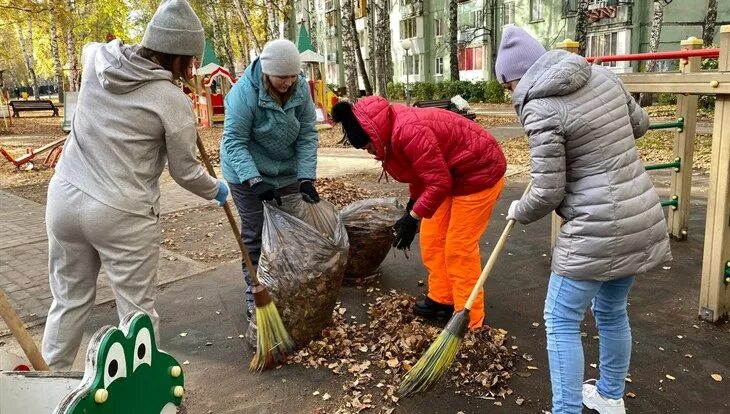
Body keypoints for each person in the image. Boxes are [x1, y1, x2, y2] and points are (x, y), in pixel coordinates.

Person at [42, 0, 229, 371]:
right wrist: (216, 188)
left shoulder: (97, 59)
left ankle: (48, 382)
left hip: (64, 197)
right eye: (189, 60)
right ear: (177, 57)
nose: (190, 69)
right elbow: (185, 172)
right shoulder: (171, 101)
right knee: (136, 314)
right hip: (121, 213)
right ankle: (142, 394)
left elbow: (90, 47)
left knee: (68, 299)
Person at [495, 26, 672, 414]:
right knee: (611, 312)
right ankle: (609, 397)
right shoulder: (603, 75)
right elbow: (640, 125)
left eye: (507, 87)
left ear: (516, 77)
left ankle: (567, 410)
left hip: (595, 228)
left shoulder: (540, 107)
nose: (510, 97)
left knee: (560, 320)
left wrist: (517, 210)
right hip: (638, 216)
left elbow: (547, 192)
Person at [331, 96, 506, 329]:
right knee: (432, 238)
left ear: (373, 133)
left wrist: (413, 218)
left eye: (367, 145)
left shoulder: (408, 131)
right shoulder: (391, 132)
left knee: (458, 248)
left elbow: (438, 182)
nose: (370, 152)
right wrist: (412, 207)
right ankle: (443, 298)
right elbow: (420, 172)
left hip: (479, 172)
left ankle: (468, 316)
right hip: (451, 176)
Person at [220, 38, 319, 319]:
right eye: (282, 76)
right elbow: (234, 142)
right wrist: (254, 180)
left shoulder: (300, 88)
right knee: (255, 233)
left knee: (288, 230)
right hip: (244, 171)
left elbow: (308, 134)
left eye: (293, 75)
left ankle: (283, 286)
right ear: (266, 71)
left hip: (285, 170)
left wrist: (306, 178)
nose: (289, 82)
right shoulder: (244, 94)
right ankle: (257, 293)